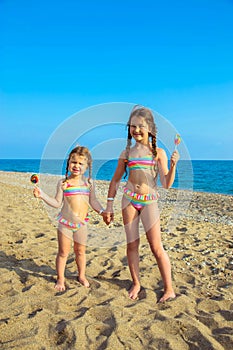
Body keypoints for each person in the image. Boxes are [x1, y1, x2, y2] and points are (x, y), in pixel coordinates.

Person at [104, 106, 180, 302]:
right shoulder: (127, 152)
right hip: (128, 199)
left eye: (141, 126)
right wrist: (110, 204)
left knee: (156, 247)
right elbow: (115, 180)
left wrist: (173, 166)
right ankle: (136, 282)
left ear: (151, 129)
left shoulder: (158, 153)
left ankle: (169, 288)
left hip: (149, 202)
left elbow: (166, 183)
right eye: (132, 126)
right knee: (132, 245)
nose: (136, 130)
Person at [33, 146, 105, 292]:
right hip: (65, 224)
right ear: (68, 163)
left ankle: (82, 276)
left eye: (80, 163)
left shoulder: (89, 183)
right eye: (73, 162)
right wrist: (42, 195)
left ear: (87, 166)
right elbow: (57, 203)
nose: (76, 166)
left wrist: (103, 212)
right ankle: (60, 278)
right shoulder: (63, 183)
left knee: (80, 251)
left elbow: (94, 202)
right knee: (63, 252)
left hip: (82, 224)